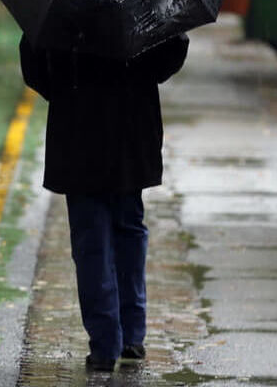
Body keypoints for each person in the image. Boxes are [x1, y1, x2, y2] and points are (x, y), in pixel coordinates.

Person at [18, 32, 190, 372]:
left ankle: (104, 343)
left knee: (90, 237)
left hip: (78, 129)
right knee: (128, 226)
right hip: (132, 129)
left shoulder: (62, 1)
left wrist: (64, 91)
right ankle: (131, 335)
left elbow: (33, 61)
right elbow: (173, 49)